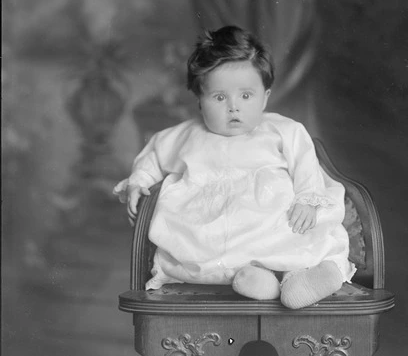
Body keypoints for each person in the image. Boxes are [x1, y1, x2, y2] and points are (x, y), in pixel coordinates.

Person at [114, 25, 355, 309]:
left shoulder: (282, 130)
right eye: (219, 97)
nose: (233, 107)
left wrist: (307, 199)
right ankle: (259, 282)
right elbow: (153, 154)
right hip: (209, 228)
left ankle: (304, 277)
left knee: (293, 237)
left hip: (269, 218)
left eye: (245, 96)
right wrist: (139, 181)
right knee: (197, 250)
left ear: (265, 96)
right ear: (200, 101)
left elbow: (306, 165)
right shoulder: (187, 136)